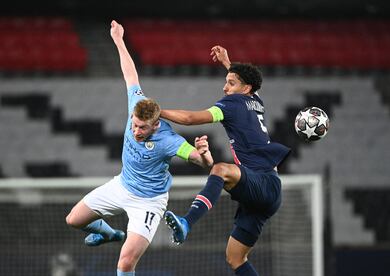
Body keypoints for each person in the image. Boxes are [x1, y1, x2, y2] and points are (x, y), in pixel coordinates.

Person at [65, 20, 214, 276]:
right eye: (133, 125)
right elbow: (130, 74)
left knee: (125, 263)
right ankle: (110, 234)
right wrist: (119, 40)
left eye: (141, 128)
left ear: (155, 126)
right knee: (73, 220)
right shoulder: (137, 104)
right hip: (122, 185)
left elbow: (203, 163)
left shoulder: (168, 140)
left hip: (148, 201)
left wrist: (204, 154)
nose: (135, 131)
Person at [162, 45, 291, 276]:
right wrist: (228, 62)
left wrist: (157, 111)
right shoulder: (256, 101)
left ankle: (187, 223)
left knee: (220, 169)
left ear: (245, 88)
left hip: (262, 184)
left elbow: (191, 118)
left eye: (230, 83)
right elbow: (247, 82)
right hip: (266, 192)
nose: (224, 87)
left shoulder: (230, 105)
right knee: (235, 258)